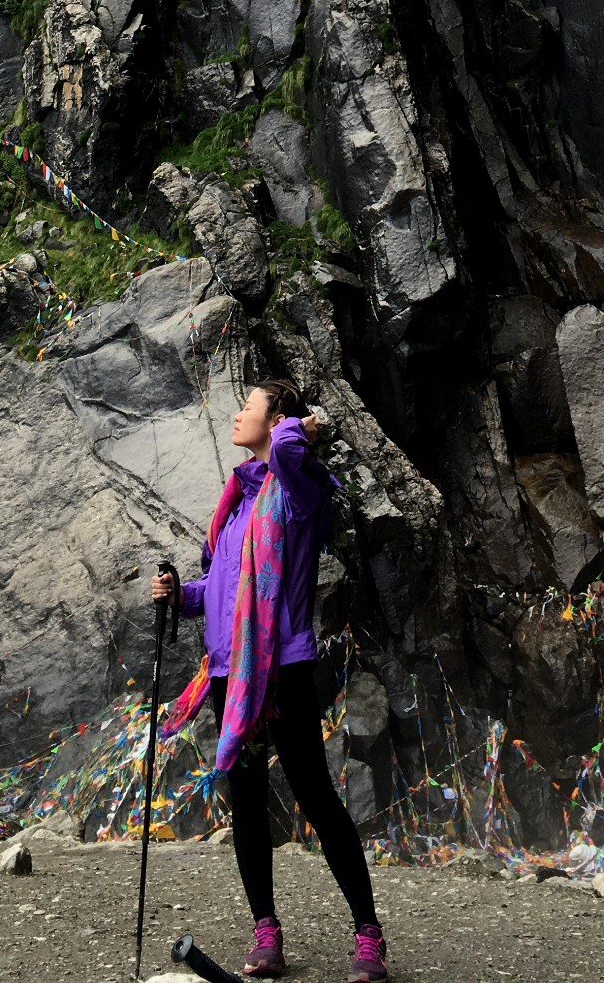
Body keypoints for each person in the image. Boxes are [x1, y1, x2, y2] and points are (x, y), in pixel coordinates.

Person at [151, 379, 388, 983]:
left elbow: (286, 452)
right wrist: (181, 595)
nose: (236, 415)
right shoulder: (235, 505)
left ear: (278, 418)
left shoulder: (299, 488)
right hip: (231, 672)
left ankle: (368, 936)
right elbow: (220, 589)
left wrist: (298, 429)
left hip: (282, 667)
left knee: (315, 795)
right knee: (249, 804)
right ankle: (266, 931)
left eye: (249, 406)